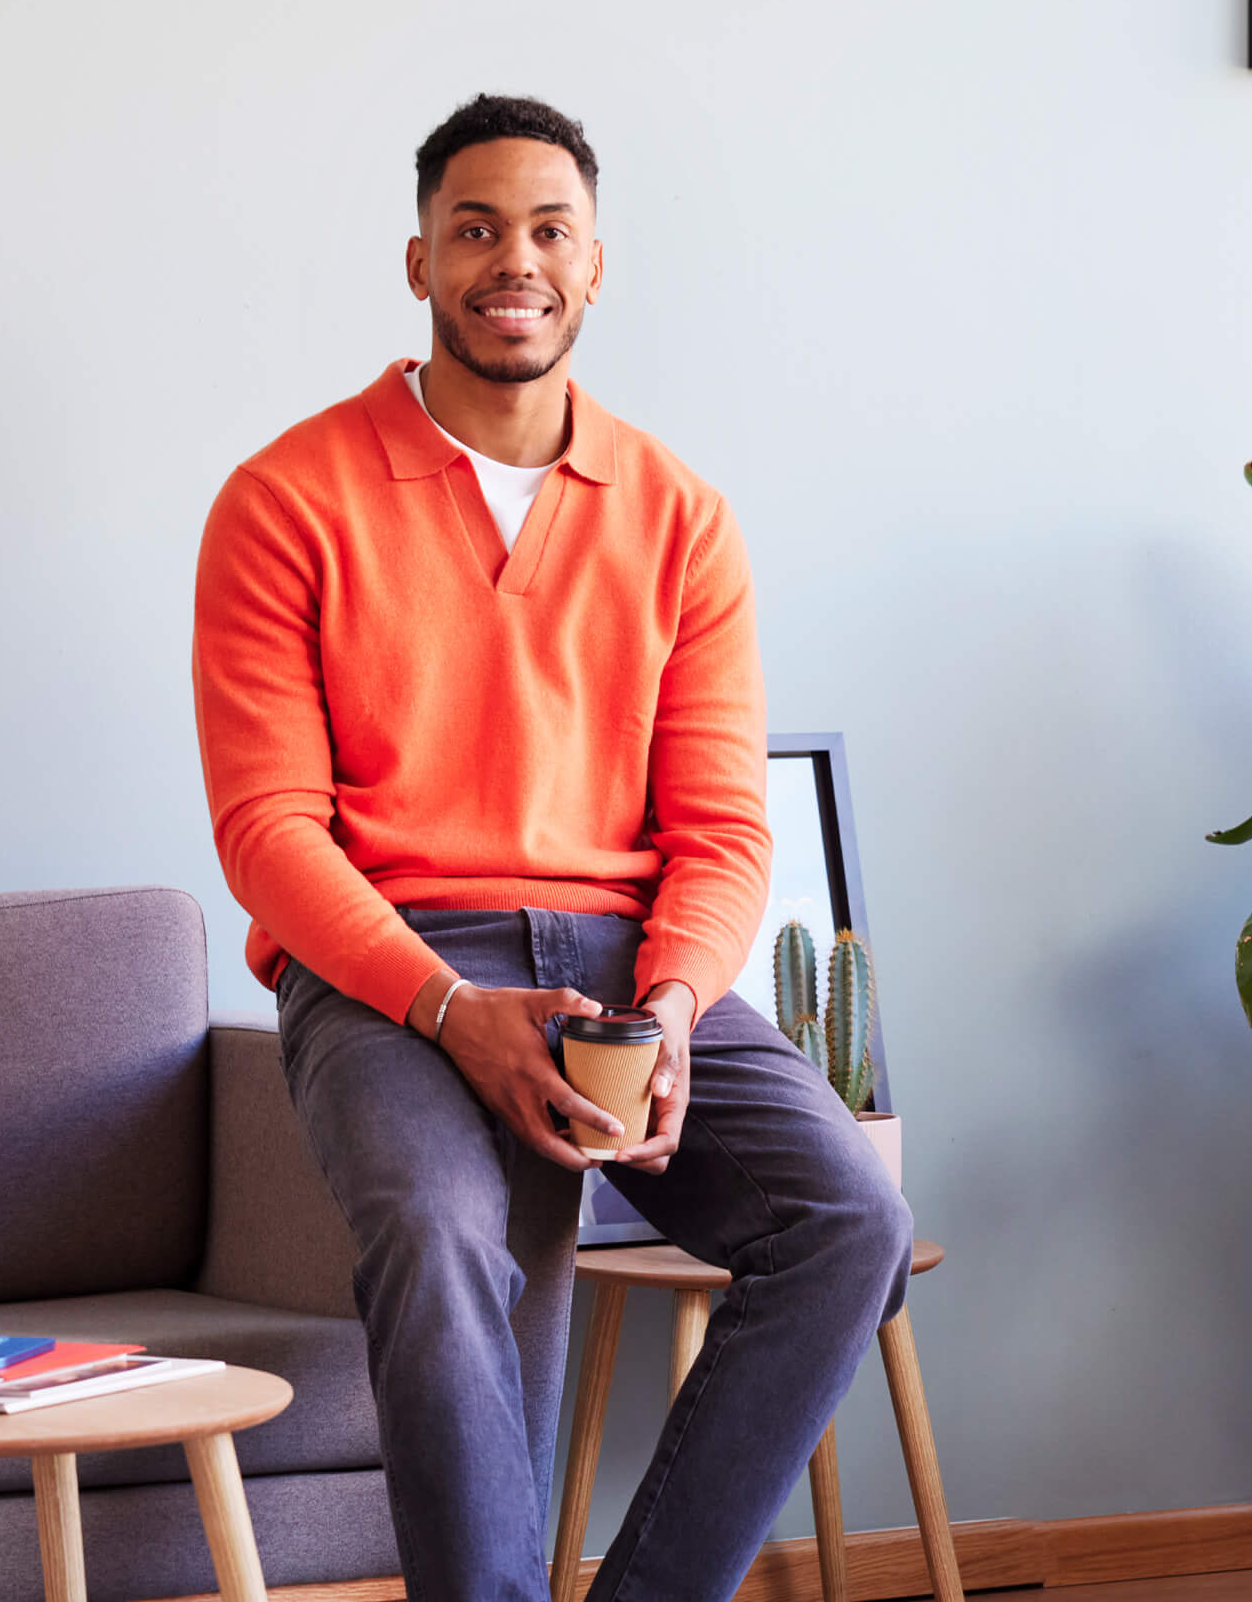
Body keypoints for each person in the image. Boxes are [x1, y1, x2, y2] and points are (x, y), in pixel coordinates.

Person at [192, 94, 912, 1602]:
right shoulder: (284, 501)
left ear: (595, 268)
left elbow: (721, 829)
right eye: (474, 228)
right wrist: (450, 1011)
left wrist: (665, 1009)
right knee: (447, 1236)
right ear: (418, 263)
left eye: (546, 230)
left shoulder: (681, 518)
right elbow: (270, 835)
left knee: (848, 1222)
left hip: (627, 966)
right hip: (393, 969)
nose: (509, 259)